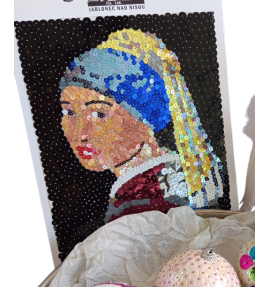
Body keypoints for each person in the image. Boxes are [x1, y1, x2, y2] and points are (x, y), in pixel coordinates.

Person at [59, 28, 224, 223]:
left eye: (99, 114)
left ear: (146, 120)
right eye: (69, 112)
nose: (80, 133)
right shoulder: (170, 173)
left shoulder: (140, 195)